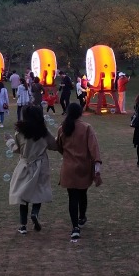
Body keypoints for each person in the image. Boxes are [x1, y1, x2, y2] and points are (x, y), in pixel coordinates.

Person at [6, 105, 58, 235]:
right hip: (41, 165)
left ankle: (23, 226)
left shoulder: (20, 132)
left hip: (25, 165)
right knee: (38, 191)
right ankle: (35, 213)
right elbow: (54, 145)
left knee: (23, 194)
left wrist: (9, 141)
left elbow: (17, 149)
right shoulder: (43, 131)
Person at [56, 102, 102, 239]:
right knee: (82, 193)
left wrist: (67, 155)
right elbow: (94, 148)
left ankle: (75, 227)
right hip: (83, 167)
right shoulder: (86, 127)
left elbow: (59, 147)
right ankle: (82, 217)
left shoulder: (62, 128)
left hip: (68, 168)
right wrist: (97, 165)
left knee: (72, 197)